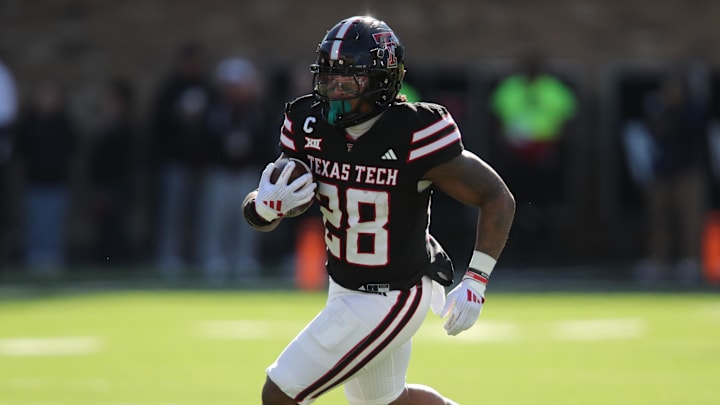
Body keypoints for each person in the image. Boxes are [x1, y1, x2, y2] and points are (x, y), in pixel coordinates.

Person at [242, 16, 515, 405]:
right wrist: (265, 209)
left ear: (382, 82)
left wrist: (477, 280)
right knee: (387, 403)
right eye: (328, 78)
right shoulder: (308, 124)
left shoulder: (416, 132)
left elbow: (496, 197)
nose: (334, 91)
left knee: (280, 393)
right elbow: (262, 208)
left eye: (348, 81)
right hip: (344, 285)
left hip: (393, 292)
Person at [489, 54, 577, 254]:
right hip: (515, 155)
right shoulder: (510, 88)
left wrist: (552, 144)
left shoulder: (554, 89)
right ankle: (516, 244)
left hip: (544, 154)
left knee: (546, 202)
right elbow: (495, 120)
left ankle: (546, 245)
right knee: (513, 199)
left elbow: (568, 121)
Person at [627, 74, 709, 285]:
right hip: (662, 172)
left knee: (689, 219)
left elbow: (693, 128)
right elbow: (651, 131)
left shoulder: (692, 110)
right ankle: (657, 262)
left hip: (687, 172)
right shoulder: (658, 109)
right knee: (658, 220)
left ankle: (689, 262)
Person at [196, 57, 268, 284]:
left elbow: (263, 139)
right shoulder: (215, 111)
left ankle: (244, 259)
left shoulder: (255, 111)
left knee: (249, 219)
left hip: (247, 171)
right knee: (216, 218)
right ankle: (215, 258)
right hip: (220, 171)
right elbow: (206, 140)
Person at [148, 41, 215, 279]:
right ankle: (169, 255)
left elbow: (215, 125)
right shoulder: (170, 90)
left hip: (201, 162)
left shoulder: (207, 89)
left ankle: (197, 255)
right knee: (173, 211)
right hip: (175, 161)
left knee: (201, 213)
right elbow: (158, 125)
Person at [15, 79, 78, 274]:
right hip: (35, 180)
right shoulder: (30, 123)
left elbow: (72, 147)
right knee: (35, 221)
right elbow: (21, 149)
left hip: (57, 181)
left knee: (54, 221)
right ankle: (34, 257)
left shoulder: (63, 123)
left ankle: (53, 257)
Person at [86, 78, 137, 265]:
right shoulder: (101, 126)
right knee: (102, 226)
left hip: (119, 185)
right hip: (102, 183)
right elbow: (94, 158)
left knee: (118, 226)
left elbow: (125, 161)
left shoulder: (127, 128)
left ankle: (120, 261)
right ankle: (102, 260)